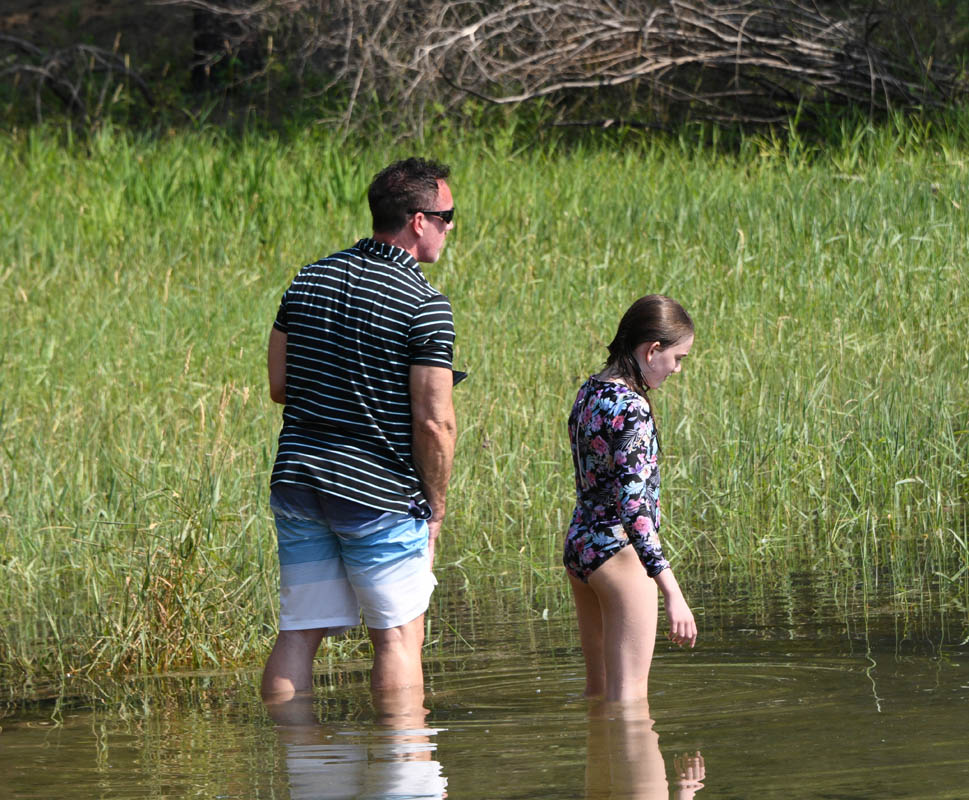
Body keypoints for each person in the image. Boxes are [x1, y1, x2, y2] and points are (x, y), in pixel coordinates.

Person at [261, 157, 458, 702]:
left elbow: (279, 384)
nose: (449, 229)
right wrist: (435, 508)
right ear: (418, 221)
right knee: (397, 636)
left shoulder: (309, 278)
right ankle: (404, 775)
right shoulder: (424, 304)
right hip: (379, 495)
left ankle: (302, 769)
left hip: (299, 481)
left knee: (299, 631)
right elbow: (434, 421)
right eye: (447, 217)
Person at [564, 294, 697, 703]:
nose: (677, 369)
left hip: (581, 548)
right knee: (630, 702)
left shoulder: (590, 391)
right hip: (620, 557)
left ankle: (602, 764)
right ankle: (644, 769)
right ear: (651, 349)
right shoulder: (632, 408)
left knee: (599, 693)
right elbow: (635, 511)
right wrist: (672, 592)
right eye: (676, 358)